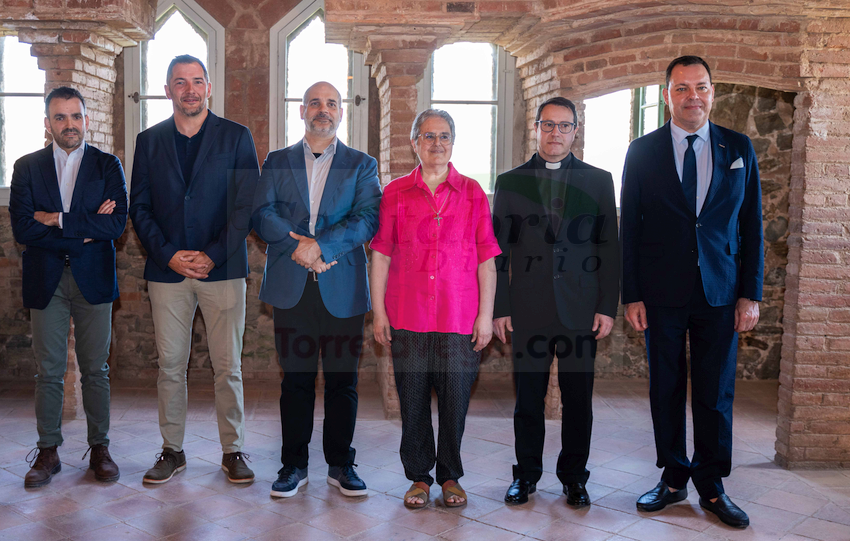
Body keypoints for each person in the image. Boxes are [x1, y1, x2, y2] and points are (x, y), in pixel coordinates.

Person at [620, 55, 763, 529]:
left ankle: (712, 484)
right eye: (681, 88)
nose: (692, 96)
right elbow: (631, 230)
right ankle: (674, 476)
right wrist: (631, 294)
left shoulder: (738, 147)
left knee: (715, 391)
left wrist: (751, 294)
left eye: (700, 86)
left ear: (712, 92)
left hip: (721, 291)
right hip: (661, 291)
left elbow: (753, 226)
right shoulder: (642, 151)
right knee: (665, 385)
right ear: (667, 95)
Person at [129, 55, 260, 485]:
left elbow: (245, 206)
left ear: (209, 88)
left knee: (228, 365)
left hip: (221, 270)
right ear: (168, 90)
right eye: (180, 82)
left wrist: (213, 254)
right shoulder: (149, 141)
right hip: (167, 271)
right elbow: (140, 207)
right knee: (171, 365)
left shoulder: (237, 137)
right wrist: (168, 254)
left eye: (197, 81)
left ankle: (234, 450)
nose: (190, 89)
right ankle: (172, 450)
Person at [253, 81, 381, 499]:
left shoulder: (362, 164)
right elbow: (262, 213)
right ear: (302, 111)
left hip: (341, 285)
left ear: (342, 112)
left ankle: (341, 465)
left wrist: (322, 247)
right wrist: (299, 249)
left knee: (343, 382)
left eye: (331, 103)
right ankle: (293, 465)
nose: (322, 110)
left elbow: (367, 219)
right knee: (296, 381)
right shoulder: (277, 160)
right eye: (314, 103)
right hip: (294, 288)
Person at [370, 109, 500, 509]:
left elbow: (486, 260)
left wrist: (485, 315)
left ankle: (450, 477)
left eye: (444, 136)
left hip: (460, 317)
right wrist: (378, 313)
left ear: (453, 143)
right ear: (415, 143)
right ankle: (419, 478)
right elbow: (380, 255)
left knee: (455, 401)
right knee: (412, 401)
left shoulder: (474, 193)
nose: (437, 144)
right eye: (428, 136)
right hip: (407, 315)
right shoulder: (393, 193)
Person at [493, 97, 619, 507]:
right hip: (528, 310)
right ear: (536, 128)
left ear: (575, 130)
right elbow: (498, 254)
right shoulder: (510, 182)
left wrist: (607, 306)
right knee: (527, 398)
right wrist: (500, 307)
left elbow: (609, 248)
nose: (556, 133)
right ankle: (525, 476)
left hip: (580, 310)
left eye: (564, 126)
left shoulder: (599, 180)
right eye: (549, 125)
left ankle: (574, 478)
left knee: (578, 398)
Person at [9, 86, 126, 487]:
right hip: (46, 281)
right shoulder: (26, 167)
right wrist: (84, 226)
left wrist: (55, 220)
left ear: (86, 120)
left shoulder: (108, 166)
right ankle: (48, 451)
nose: (69, 124)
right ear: (48, 123)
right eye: (60, 117)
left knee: (96, 369)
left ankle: (100, 448)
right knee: (49, 371)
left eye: (75, 116)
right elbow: (23, 229)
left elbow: (114, 226)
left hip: (93, 280)